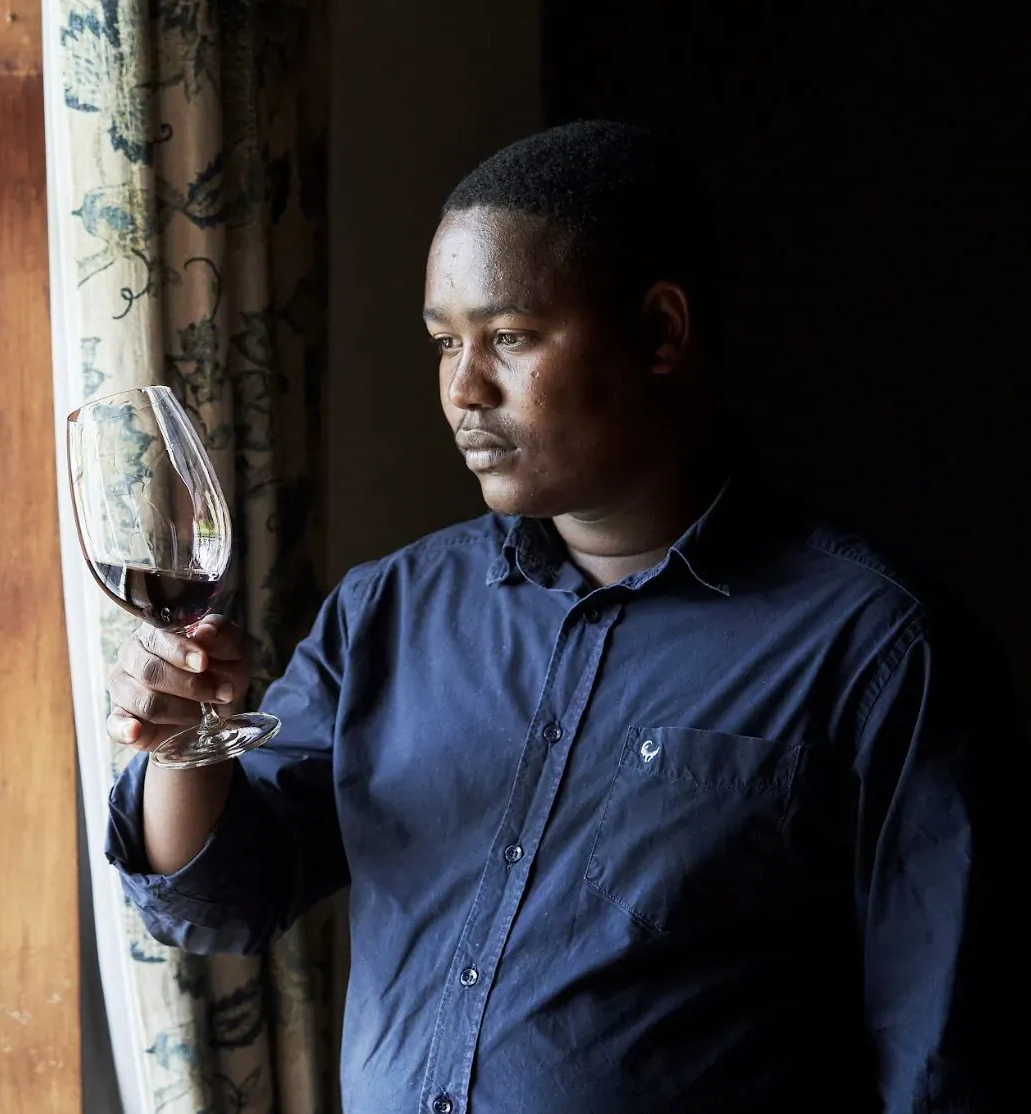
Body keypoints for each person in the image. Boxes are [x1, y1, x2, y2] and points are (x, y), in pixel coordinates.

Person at [101, 121, 1017, 1113]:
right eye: (445, 342)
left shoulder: (879, 650)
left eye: (510, 337)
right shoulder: (388, 612)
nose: (461, 389)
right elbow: (218, 900)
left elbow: (940, 1061)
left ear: (661, 331)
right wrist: (181, 743)